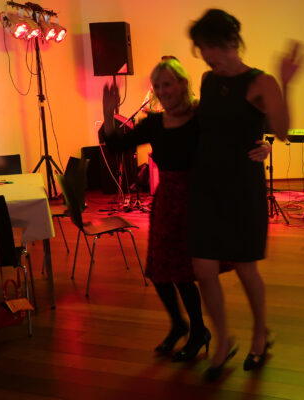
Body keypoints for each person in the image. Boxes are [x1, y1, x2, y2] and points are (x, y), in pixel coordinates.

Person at [101, 58, 272, 362]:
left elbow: (238, 130)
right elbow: (116, 145)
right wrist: (108, 113)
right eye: (157, 86)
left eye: (167, 84)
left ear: (182, 84)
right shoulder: (154, 123)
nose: (162, 91)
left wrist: (264, 145)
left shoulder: (201, 117)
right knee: (159, 269)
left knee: (185, 270)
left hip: (200, 197)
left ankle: (199, 331)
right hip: (168, 199)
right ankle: (179, 324)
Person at [187, 8, 300, 380]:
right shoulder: (207, 80)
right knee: (203, 269)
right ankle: (223, 340)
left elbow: (281, 130)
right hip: (206, 185)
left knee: (246, 268)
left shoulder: (260, 81)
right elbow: (209, 127)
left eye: (213, 48)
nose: (209, 57)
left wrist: (286, 85)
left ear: (232, 42)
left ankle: (259, 333)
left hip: (241, 187)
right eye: (203, 50)